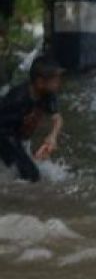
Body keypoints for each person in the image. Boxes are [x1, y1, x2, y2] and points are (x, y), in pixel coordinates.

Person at [0, 55, 65, 183]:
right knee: (32, 176)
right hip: (5, 135)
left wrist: (52, 137)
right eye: (55, 80)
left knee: (28, 171)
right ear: (40, 82)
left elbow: (58, 119)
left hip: (17, 137)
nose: (59, 83)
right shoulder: (17, 99)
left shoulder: (48, 94)